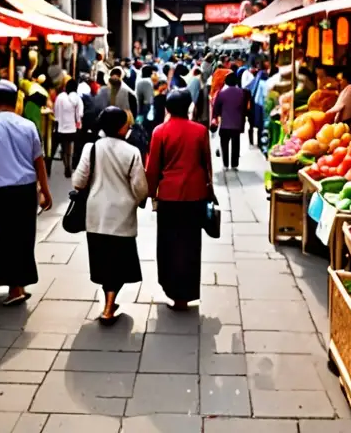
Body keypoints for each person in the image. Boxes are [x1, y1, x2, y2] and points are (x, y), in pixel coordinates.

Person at [0, 80, 53, 306]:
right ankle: (19, 286)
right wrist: (45, 192)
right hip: (27, 191)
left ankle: (15, 289)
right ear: (16, 102)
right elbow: (39, 162)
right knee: (24, 237)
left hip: (1, 192)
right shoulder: (28, 126)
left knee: (6, 238)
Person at [73, 107, 148, 322]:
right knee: (119, 263)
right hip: (122, 217)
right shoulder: (131, 152)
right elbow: (141, 188)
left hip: (96, 216)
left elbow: (78, 181)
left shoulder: (92, 148)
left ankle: (108, 303)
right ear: (120, 127)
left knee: (103, 261)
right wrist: (138, 200)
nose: (128, 127)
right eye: (126, 124)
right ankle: (108, 306)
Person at [146, 89, 215, 310]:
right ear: (188, 107)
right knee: (190, 245)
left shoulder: (160, 132)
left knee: (168, 244)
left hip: (168, 196)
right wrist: (210, 190)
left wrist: (150, 193)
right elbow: (207, 165)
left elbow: (153, 168)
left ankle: (172, 289)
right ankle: (186, 293)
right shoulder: (200, 131)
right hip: (195, 195)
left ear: (167, 108)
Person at [212, 72, 247, 172]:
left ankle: (225, 164)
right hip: (237, 123)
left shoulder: (221, 93)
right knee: (236, 144)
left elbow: (216, 108)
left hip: (224, 124)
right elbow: (244, 109)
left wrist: (216, 117)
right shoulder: (242, 92)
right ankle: (235, 164)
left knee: (224, 144)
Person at [53, 79, 84, 177]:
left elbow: (56, 111)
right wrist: (78, 124)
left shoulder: (60, 97)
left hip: (61, 127)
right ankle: (69, 165)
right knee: (70, 146)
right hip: (72, 127)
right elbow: (80, 114)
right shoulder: (77, 98)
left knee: (63, 146)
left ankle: (66, 164)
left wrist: (57, 121)